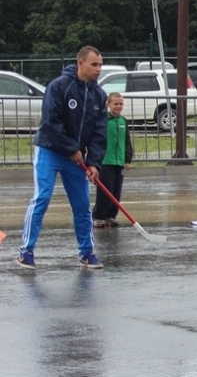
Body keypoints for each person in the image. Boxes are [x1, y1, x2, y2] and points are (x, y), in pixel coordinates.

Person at [19, 46, 108, 270]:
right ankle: (26, 251)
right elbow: (51, 122)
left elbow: (99, 132)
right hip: (50, 151)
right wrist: (71, 148)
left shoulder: (99, 95)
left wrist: (94, 162)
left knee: (82, 205)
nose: (98, 69)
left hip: (76, 159)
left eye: (100, 64)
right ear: (80, 64)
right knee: (42, 197)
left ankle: (87, 253)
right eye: (94, 64)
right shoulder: (59, 86)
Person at [92, 92, 133, 228]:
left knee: (116, 191)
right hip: (105, 161)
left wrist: (127, 159)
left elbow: (127, 142)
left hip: (119, 161)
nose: (118, 106)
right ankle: (99, 216)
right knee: (105, 190)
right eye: (115, 104)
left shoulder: (123, 121)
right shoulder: (103, 121)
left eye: (121, 104)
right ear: (108, 104)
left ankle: (111, 216)